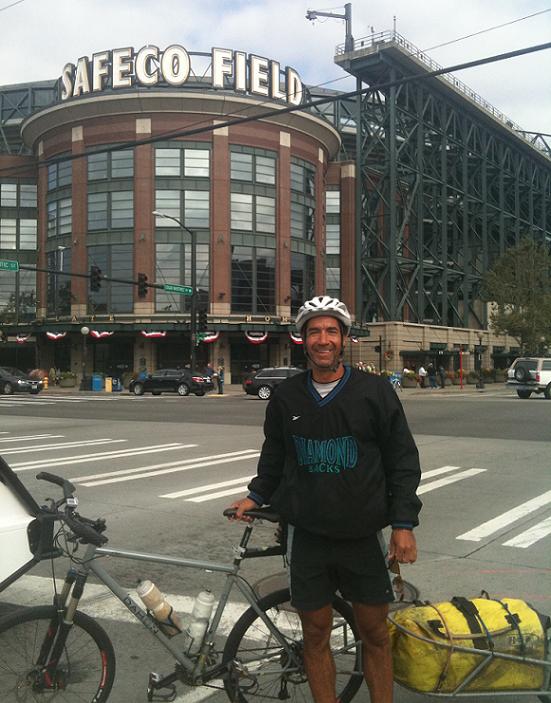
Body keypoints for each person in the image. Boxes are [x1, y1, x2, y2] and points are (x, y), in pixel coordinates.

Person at [229, 295, 422, 703]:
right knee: (315, 635)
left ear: (344, 338)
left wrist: (403, 524)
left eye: (331, 330)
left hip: (362, 534)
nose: (322, 338)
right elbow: (275, 457)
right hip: (308, 536)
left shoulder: (374, 392)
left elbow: (402, 460)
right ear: (303, 339)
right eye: (314, 330)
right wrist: (255, 495)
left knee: (373, 634)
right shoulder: (286, 397)